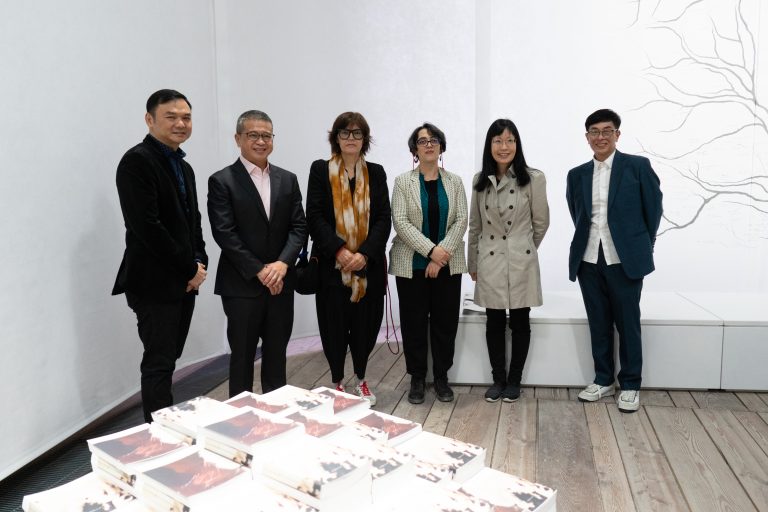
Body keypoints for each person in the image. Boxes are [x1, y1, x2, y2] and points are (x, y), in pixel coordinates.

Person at [112, 89, 208, 423]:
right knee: (159, 363)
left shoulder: (185, 167)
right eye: (171, 117)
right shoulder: (136, 161)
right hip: (153, 281)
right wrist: (188, 269)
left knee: (169, 358)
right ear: (149, 120)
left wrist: (200, 261)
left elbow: (193, 221)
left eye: (186, 117)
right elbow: (146, 227)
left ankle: (166, 426)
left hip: (184, 279)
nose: (181, 123)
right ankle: (159, 434)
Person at [566, 109, 663, 413]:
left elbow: (653, 210)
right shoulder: (576, 174)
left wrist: (641, 246)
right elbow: (577, 214)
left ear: (617, 135)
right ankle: (603, 379)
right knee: (598, 323)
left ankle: (631, 385)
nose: (601, 137)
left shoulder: (637, 167)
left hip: (625, 259)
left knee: (628, 323)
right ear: (587, 137)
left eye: (607, 131)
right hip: (588, 258)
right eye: (594, 132)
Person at [208, 110, 307, 397]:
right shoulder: (222, 180)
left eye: (266, 135)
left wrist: (282, 264)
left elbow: (299, 227)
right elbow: (224, 233)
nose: (261, 141)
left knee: (277, 356)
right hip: (242, 285)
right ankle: (240, 418)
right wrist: (261, 270)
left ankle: (277, 413)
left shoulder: (287, 179)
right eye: (253, 135)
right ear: (238, 138)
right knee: (241, 359)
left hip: (281, 284)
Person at [306, 112, 391, 405]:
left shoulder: (376, 172)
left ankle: (362, 380)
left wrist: (364, 254)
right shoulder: (320, 170)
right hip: (332, 268)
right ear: (336, 138)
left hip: (368, 268)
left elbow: (383, 218)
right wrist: (340, 251)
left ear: (365, 139)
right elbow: (314, 216)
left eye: (357, 133)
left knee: (366, 327)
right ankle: (337, 382)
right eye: (345, 133)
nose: (351, 138)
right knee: (334, 327)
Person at [468, 119, 550, 403]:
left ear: (517, 144)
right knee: (493, 322)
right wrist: (473, 263)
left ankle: (514, 381)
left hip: (520, 260)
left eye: (510, 140)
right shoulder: (480, 180)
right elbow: (475, 226)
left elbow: (541, 223)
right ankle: (498, 380)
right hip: (489, 260)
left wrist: (523, 248)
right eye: (498, 141)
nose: (504, 147)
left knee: (520, 321)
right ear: (489, 145)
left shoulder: (534, 178)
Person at [389, 123, 467, 404]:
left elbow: (461, 220)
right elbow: (401, 222)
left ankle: (442, 377)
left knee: (445, 323)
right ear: (415, 150)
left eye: (434, 140)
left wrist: (440, 255)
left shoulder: (455, 182)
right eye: (422, 141)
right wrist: (432, 251)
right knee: (414, 324)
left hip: (448, 264)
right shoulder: (403, 182)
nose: (429, 144)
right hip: (411, 266)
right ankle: (417, 378)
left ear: (441, 147)